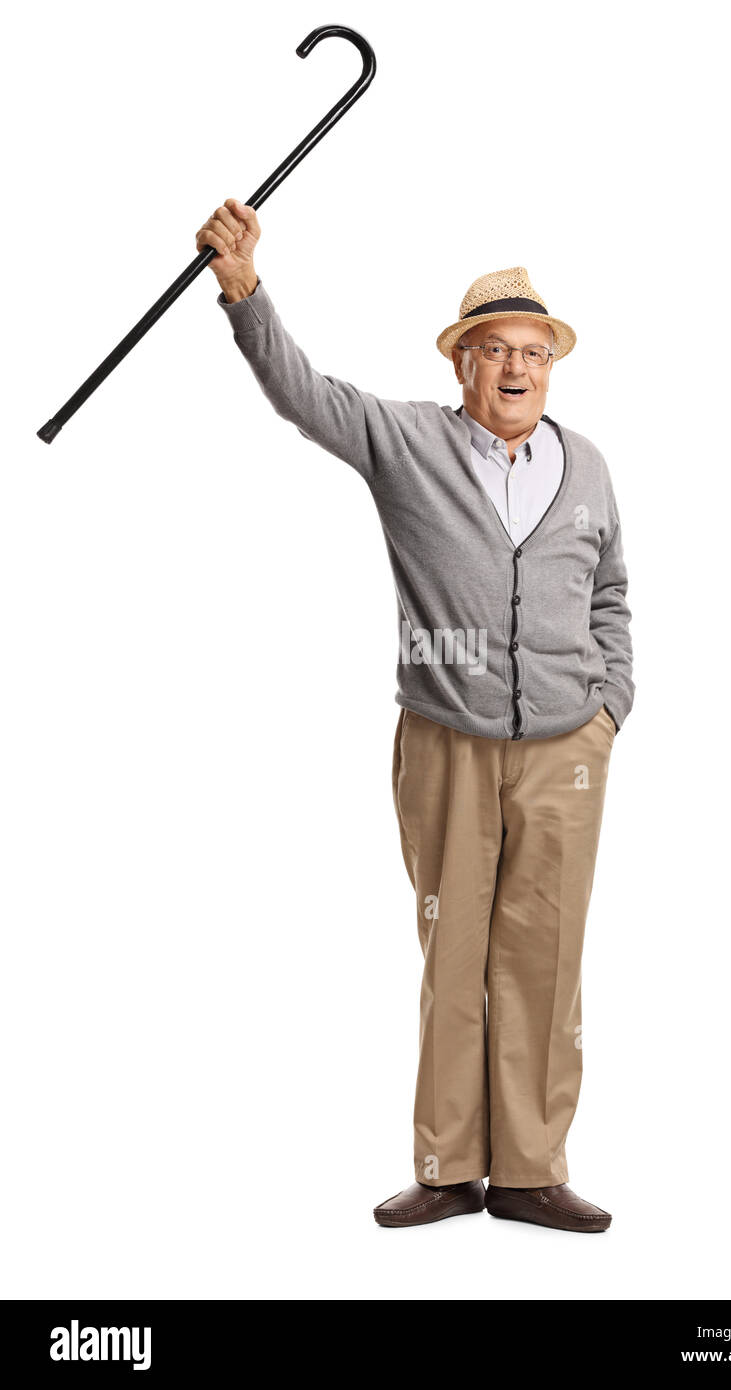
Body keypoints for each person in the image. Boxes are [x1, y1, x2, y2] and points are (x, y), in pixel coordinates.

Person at [196, 198, 636, 1234]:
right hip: (444, 740)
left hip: (566, 748)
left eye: (532, 352)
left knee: (545, 953)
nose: (516, 369)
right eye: (495, 351)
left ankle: (529, 1169)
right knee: (453, 950)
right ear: (461, 365)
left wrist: (610, 702)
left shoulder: (590, 467)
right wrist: (243, 289)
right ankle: (448, 1166)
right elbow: (303, 396)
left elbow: (611, 587)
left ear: (549, 367)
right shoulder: (403, 442)